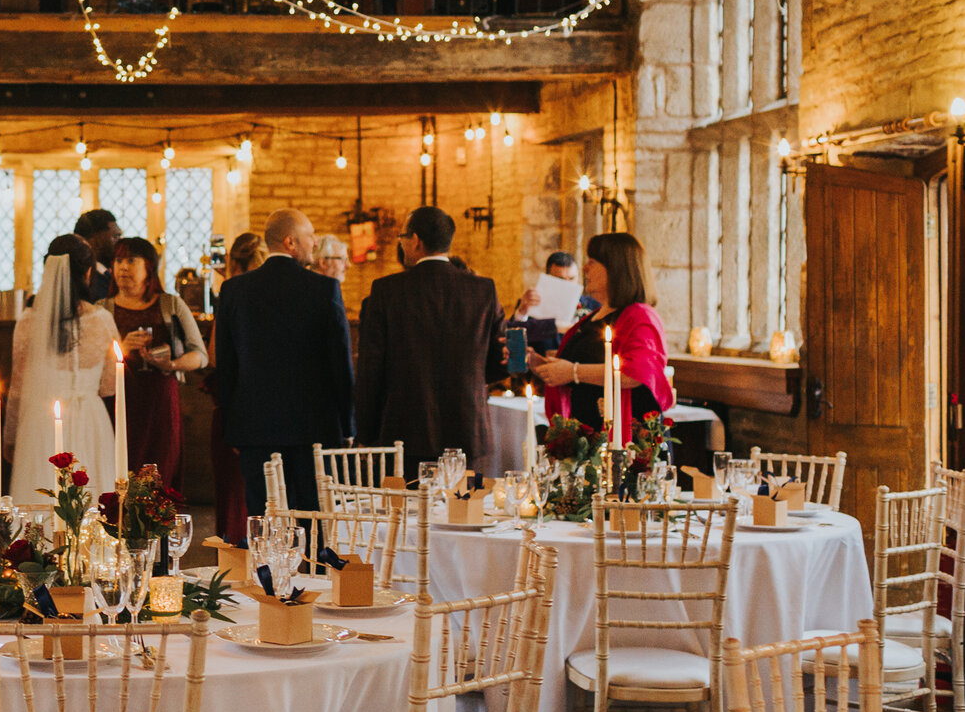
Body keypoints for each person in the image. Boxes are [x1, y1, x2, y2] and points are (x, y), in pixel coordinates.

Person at [210, 209, 353, 516]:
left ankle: (266, 566)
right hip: (313, 427)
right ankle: (314, 566)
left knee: (264, 517)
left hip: (254, 427)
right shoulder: (324, 289)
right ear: (291, 242)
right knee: (315, 519)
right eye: (309, 236)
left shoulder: (234, 290)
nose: (314, 243)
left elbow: (227, 364)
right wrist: (347, 422)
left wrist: (231, 425)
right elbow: (339, 362)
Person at [354, 206, 500, 464]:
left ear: (415, 240)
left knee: (404, 504)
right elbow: (499, 360)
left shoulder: (387, 291)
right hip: (467, 428)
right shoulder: (483, 290)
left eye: (402, 238)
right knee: (464, 503)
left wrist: (365, 432)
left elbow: (370, 370)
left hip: (403, 432)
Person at [6, 236, 122, 505]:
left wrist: (10, 436)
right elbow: (109, 385)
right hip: (90, 420)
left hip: (41, 421)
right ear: (88, 272)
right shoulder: (103, 321)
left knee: (40, 500)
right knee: (92, 501)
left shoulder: (28, 322)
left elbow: (18, 388)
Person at [529, 231, 672, 441]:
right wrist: (542, 365)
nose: (585, 268)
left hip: (626, 439)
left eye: (592, 262)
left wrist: (573, 372)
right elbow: (576, 367)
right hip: (587, 432)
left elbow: (636, 373)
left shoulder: (640, 316)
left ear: (616, 269)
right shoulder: (592, 318)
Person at [108, 237, 205, 483]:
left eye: (131, 260)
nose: (123, 267)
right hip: (119, 401)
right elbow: (91, 361)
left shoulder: (170, 304)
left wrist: (171, 364)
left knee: (162, 469)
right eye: (118, 260)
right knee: (120, 470)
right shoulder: (103, 308)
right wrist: (121, 348)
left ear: (149, 266)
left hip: (160, 399)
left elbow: (200, 355)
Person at [208, 230, 268, 540]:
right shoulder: (274, 295)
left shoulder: (230, 292)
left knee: (233, 492)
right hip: (267, 410)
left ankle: (232, 554)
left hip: (234, 407)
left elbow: (215, 355)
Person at [73, 207, 120, 303]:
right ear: (95, 240)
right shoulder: (86, 281)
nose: (119, 243)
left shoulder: (109, 274)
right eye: (115, 236)